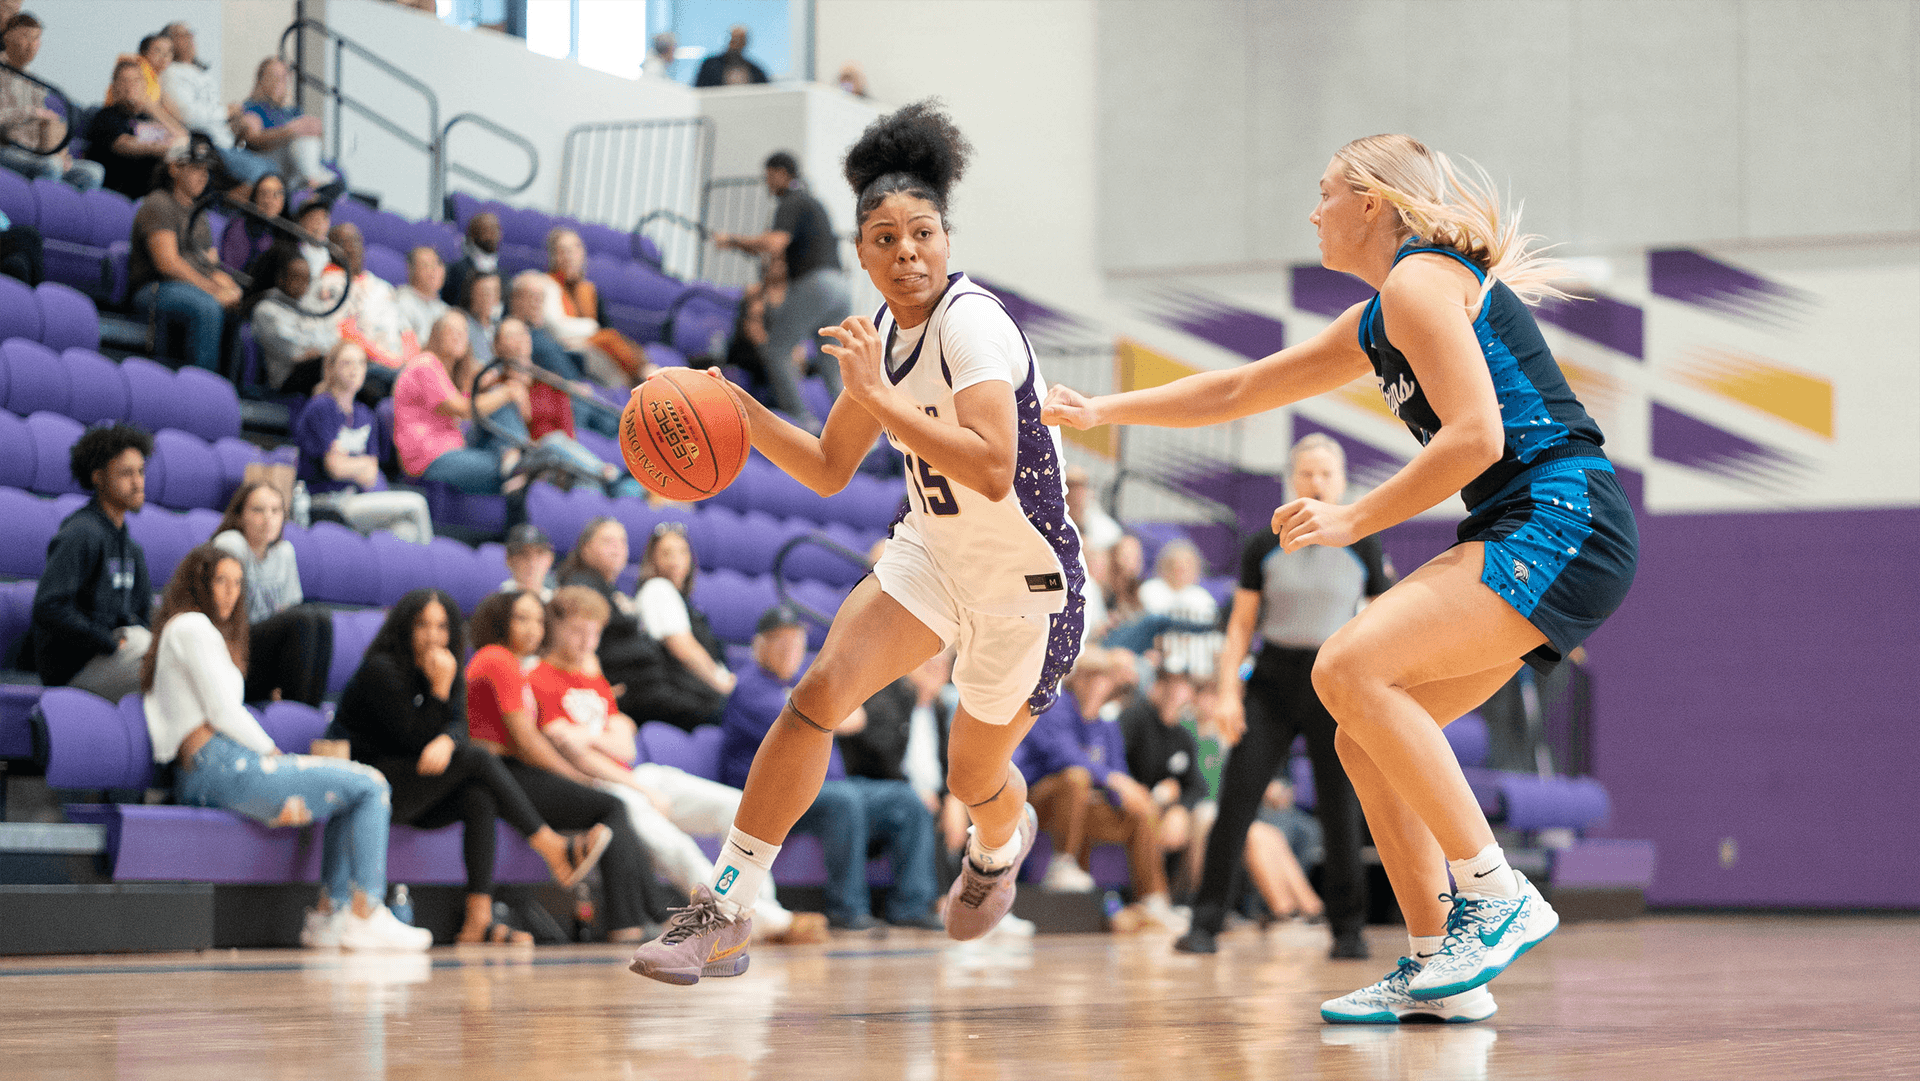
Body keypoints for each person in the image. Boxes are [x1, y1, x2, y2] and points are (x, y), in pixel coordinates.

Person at [1044, 134, 1639, 1023]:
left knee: (1346, 666)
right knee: (1362, 734)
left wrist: (1355, 518)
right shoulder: (1382, 313)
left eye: (1324, 191)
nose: (1313, 210)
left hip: (1563, 516)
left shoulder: (1420, 281)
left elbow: (1477, 436)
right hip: (1539, 525)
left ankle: (1496, 890)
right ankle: (1440, 965)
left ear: (1370, 202)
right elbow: (1239, 389)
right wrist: (1102, 409)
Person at [630, 103, 1083, 983]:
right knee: (816, 693)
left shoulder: (972, 323)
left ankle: (1000, 844)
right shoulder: (881, 336)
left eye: (922, 233)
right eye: (884, 238)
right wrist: (743, 411)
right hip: (933, 553)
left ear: (945, 240)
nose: (906, 251)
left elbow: (994, 467)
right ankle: (726, 908)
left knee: (973, 777)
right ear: (862, 256)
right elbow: (830, 467)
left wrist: (880, 400)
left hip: (1027, 584)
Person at [485, 588, 825, 944]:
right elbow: (577, 756)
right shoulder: (539, 678)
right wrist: (629, 775)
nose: (587, 642)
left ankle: (763, 906)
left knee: (737, 807)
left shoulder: (592, 678)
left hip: (633, 775)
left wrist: (588, 736)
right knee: (674, 844)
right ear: (556, 628)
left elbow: (626, 747)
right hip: (598, 787)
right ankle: (752, 919)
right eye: (577, 631)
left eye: (594, 632)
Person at [141, 544, 427, 950]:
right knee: (371, 785)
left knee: (354, 794)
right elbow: (223, 711)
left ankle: (331, 916)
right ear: (197, 583)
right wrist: (269, 750)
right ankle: (364, 913)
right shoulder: (191, 625)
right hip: (217, 763)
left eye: (238, 583)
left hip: (212, 766)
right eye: (220, 581)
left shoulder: (194, 632)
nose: (230, 592)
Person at [1173, 433, 1389, 962]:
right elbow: (1240, 626)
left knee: (1340, 807)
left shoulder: (1363, 542)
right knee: (1237, 799)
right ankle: (1205, 923)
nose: (1316, 482)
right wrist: (1228, 693)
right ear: (1292, 480)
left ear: (1342, 482)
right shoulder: (1263, 544)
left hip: (1334, 682)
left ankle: (1348, 931)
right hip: (1271, 681)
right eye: (1307, 473)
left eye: (1326, 473)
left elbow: (1382, 622)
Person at [332, 588, 615, 944]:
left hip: (417, 784)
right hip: (375, 790)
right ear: (404, 627)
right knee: (479, 759)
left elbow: (458, 727)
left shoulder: (446, 666)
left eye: (441, 627)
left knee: (478, 796)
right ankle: (552, 847)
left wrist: (448, 738)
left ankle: (478, 919)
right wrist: (439, 692)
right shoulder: (382, 670)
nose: (433, 636)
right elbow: (411, 741)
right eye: (422, 625)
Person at [459, 587, 682, 944]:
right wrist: (574, 777)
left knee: (612, 807)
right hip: (502, 774)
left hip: (508, 772)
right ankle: (638, 918)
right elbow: (526, 742)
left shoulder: (512, 664)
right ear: (500, 622)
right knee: (611, 805)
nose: (533, 629)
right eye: (521, 619)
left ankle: (636, 919)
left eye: (538, 620)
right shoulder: (498, 659)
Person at [716, 607, 941, 932]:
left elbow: (857, 718)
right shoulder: (750, 687)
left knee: (905, 800)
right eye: (781, 641)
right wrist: (831, 710)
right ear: (759, 645)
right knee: (844, 801)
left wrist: (830, 711)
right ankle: (848, 909)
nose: (791, 649)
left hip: (827, 787)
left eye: (796, 641)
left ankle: (912, 906)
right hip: (772, 797)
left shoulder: (800, 683)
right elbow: (826, 719)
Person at [1020, 650, 1183, 929]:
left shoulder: (1107, 726)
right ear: (1076, 679)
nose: (1097, 684)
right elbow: (1063, 756)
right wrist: (1114, 781)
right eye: (1090, 676)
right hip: (1038, 803)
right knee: (1076, 778)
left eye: (1103, 678)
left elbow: (1120, 775)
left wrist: (1132, 796)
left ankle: (1154, 899)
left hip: (1085, 807)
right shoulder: (1052, 706)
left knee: (1138, 811)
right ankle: (1062, 864)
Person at [712, 151, 849, 428]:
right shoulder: (812, 201)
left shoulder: (791, 201)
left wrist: (732, 240)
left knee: (776, 350)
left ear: (781, 173)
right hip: (840, 287)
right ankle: (861, 434)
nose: (767, 183)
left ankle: (804, 424)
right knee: (832, 363)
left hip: (816, 285)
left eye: (768, 176)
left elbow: (775, 243)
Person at [554, 517, 722, 731]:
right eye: (607, 541)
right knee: (719, 711)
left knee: (717, 705)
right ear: (585, 549)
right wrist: (598, 690)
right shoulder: (582, 586)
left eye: (622, 542)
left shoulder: (610, 590)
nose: (617, 548)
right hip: (634, 692)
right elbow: (578, 645)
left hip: (652, 684)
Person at [31, 424, 153, 699]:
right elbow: (49, 607)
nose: (138, 482)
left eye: (141, 472)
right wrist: (107, 642)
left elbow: (144, 615)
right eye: (126, 473)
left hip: (115, 656)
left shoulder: (131, 547)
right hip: (74, 668)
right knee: (166, 663)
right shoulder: (81, 533)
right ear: (98, 477)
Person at [293, 341, 435, 542]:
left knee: (405, 532)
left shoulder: (365, 414)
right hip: (327, 501)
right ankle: (430, 562)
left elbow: (371, 471)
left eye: (360, 363)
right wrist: (357, 465)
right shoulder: (321, 407)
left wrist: (347, 462)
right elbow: (335, 468)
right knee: (417, 504)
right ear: (330, 368)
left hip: (359, 497)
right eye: (347, 363)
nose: (355, 370)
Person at [209, 480, 334, 706]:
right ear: (240, 516)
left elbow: (287, 610)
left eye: (276, 511)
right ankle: (294, 708)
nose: (268, 519)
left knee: (322, 618)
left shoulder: (284, 552)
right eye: (258, 510)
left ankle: (308, 711)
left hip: (264, 655)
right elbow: (218, 619)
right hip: (230, 652)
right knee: (303, 620)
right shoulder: (231, 544)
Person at [128, 141, 240, 372]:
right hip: (154, 287)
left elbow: (209, 264)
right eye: (196, 168)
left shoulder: (199, 214)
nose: (203, 176)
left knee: (239, 305)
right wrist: (211, 289)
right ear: (174, 168)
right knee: (207, 306)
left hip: (190, 286)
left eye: (206, 170)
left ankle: (227, 386)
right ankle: (200, 384)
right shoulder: (159, 203)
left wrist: (229, 287)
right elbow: (167, 264)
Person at [391, 312, 519, 493]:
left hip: (455, 445)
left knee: (500, 404)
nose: (459, 336)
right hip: (430, 457)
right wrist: (508, 392)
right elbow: (463, 410)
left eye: (464, 331)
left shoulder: (453, 372)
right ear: (436, 335)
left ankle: (514, 458)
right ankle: (517, 464)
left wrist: (496, 386)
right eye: (452, 331)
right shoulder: (425, 363)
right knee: (501, 399)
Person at [1119, 666, 1208, 897]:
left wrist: (1180, 808)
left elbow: (1197, 786)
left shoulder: (1184, 735)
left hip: (1167, 810)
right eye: (1169, 684)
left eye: (1182, 686)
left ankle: (1187, 900)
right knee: (1149, 815)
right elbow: (1118, 765)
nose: (1176, 692)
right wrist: (1152, 796)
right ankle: (1149, 897)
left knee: (1201, 818)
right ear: (1156, 687)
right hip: (1133, 801)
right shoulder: (1134, 719)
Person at [159, 21, 274, 194]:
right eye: (182, 35)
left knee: (273, 170)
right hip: (207, 144)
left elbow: (213, 112)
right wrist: (226, 112)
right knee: (265, 176)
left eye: (190, 33)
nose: (190, 38)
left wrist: (235, 120)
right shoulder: (171, 73)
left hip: (227, 142)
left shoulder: (202, 73)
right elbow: (188, 116)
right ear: (169, 42)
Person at [0, 13, 106, 189]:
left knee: (93, 172)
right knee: (50, 166)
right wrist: (31, 113)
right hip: (6, 149)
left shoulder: (36, 84)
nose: (31, 45)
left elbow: (48, 124)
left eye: (36, 39)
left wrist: (61, 154)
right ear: (8, 37)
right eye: (25, 36)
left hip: (35, 153)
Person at [635, 523, 734, 703]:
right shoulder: (658, 588)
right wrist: (722, 683)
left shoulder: (684, 601)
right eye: (666, 553)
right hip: (678, 695)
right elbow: (683, 648)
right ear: (653, 559)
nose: (675, 560)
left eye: (682, 552)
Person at [541, 227, 647, 385]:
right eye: (563, 251)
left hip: (590, 344)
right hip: (566, 347)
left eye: (574, 249)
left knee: (614, 341)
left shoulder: (589, 290)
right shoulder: (546, 284)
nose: (569, 256)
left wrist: (589, 338)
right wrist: (591, 331)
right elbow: (556, 327)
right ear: (554, 256)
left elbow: (603, 327)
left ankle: (642, 373)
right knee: (608, 340)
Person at [324, 222, 411, 382]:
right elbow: (346, 333)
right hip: (365, 365)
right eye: (343, 243)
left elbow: (407, 331)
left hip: (399, 365)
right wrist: (392, 363)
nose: (352, 247)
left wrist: (410, 364)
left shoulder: (383, 286)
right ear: (331, 249)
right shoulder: (330, 284)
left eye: (356, 241)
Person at [235, 57, 335, 193]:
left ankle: (316, 180)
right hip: (275, 165)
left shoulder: (292, 112)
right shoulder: (251, 108)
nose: (278, 82)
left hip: (299, 165)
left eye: (283, 78)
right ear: (260, 80)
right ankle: (312, 180)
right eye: (273, 77)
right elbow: (253, 138)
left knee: (338, 174)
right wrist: (291, 131)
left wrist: (315, 129)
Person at [248, 242, 336, 394]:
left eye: (307, 280)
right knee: (334, 366)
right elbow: (294, 352)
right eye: (297, 278)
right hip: (286, 378)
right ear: (281, 279)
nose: (303, 285)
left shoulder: (307, 307)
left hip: (312, 369)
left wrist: (319, 350)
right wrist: (318, 350)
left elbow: (330, 338)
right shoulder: (266, 310)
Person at [85, 57, 179, 199]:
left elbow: (181, 137)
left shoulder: (146, 118)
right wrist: (163, 148)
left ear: (145, 86)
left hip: (150, 196)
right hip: (116, 192)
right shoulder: (105, 116)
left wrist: (152, 108)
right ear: (114, 87)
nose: (130, 86)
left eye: (136, 80)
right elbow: (123, 144)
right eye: (124, 80)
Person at [219, 171, 285, 275]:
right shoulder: (240, 226)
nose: (269, 200)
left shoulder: (287, 233)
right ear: (255, 197)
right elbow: (230, 271)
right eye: (264, 193)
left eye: (276, 194)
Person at [442, 210, 499, 308]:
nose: (493, 235)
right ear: (473, 234)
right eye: (487, 230)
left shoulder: (502, 274)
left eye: (496, 229)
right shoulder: (457, 271)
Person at [395, 246, 449, 346]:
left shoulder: (445, 310)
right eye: (425, 265)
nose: (433, 271)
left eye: (437, 264)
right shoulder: (401, 301)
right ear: (412, 270)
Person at [693, 26, 768, 87]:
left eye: (740, 40)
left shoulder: (755, 71)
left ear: (745, 43)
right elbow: (699, 90)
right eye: (734, 40)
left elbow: (765, 91)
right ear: (729, 40)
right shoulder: (710, 66)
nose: (736, 44)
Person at [500, 523, 554, 599]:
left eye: (540, 553)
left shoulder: (557, 601)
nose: (532, 563)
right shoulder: (497, 602)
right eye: (524, 554)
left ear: (550, 559)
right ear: (509, 560)